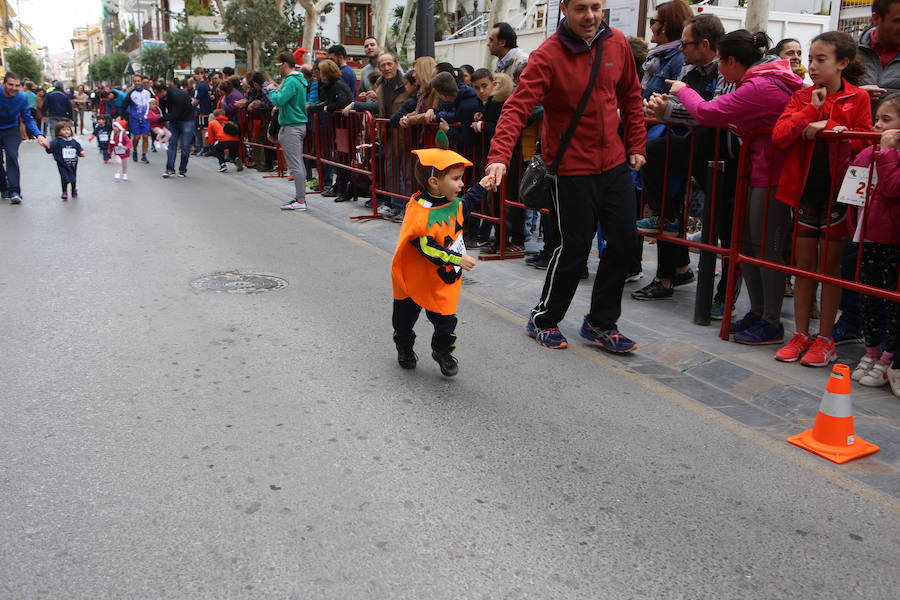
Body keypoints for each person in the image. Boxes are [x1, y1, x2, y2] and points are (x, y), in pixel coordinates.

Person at [486, 0, 646, 352]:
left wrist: (636, 144)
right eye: (580, 8)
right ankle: (543, 318)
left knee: (623, 242)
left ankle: (601, 323)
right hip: (571, 168)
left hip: (615, 164)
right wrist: (499, 156)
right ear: (564, 9)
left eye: (596, 7)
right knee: (574, 247)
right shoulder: (548, 54)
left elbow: (632, 95)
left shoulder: (617, 43)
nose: (590, 16)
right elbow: (517, 107)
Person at [668, 31, 802, 346]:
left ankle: (770, 321)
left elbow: (707, 113)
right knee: (753, 247)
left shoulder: (760, 86)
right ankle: (758, 313)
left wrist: (683, 90)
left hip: (772, 175)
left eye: (720, 63)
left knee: (766, 249)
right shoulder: (767, 79)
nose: (719, 70)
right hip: (760, 172)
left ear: (730, 61)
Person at [772, 31, 873, 367]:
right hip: (804, 194)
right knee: (803, 268)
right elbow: (780, 135)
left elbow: (865, 145)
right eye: (810, 59)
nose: (812, 66)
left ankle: (826, 338)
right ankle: (801, 333)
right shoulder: (802, 97)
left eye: (820, 59)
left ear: (842, 63)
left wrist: (829, 126)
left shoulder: (857, 98)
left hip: (837, 196)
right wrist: (808, 115)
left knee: (829, 271)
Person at [633, 12, 726, 302]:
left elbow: (711, 112)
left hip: (722, 155)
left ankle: (724, 297)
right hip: (690, 146)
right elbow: (681, 103)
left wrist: (670, 109)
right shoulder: (687, 70)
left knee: (724, 226)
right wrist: (663, 104)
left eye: (685, 44)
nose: (680, 49)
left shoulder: (725, 71)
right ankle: (668, 275)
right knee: (666, 205)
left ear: (705, 44)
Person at [391, 130, 490, 376]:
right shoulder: (419, 212)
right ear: (435, 183)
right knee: (403, 323)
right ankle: (404, 347)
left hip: (441, 280)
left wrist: (481, 186)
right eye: (456, 179)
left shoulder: (452, 203)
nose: (461, 184)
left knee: (446, 323)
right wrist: (457, 258)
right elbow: (427, 247)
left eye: (461, 178)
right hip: (413, 279)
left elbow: (464, 206)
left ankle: (442, 352)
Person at [844, 93, 900, 392]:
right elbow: (850, 186)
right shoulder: (871, 152)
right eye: (877, 119)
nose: (877, 125)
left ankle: (888, 356)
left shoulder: (890, 154)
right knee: (869, 298)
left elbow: (892, 188)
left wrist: (889, 152)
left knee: (891, 302)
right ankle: (872, 350)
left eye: (886, 120)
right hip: (867, 237)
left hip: (892, 241)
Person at [308, 59, 354, 203]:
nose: (318, 74)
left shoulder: (336, 84)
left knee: (344, 159)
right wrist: (313, 108)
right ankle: (339, 187)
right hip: (340, 126)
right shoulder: (330, 85)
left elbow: (342, 102)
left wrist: (329, 108)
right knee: (341, 158)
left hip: (345, 126)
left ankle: (343, 189)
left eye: (320, 72)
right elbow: (329, 102)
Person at [269, 51, 310, 211]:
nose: (278, 69)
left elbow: (279, 100)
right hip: (294, 125)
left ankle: (300, 201)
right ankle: (300, 198)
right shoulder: (296, 80)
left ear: (284, 64)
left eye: (278, 65)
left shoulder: (291, 81)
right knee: (297, 163)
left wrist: (272, 90)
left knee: (295, 165)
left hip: (292, 126)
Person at [0, 72, 49, 204]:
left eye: (17, 85)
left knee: (12, 155)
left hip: (11, 129)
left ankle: (15, 191)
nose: (13, 88)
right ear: (4, 83)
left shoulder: (21, 98)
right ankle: (3, 187)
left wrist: (39, 134)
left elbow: (28, 118)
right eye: (10, 84)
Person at [642, 0, 692, 99]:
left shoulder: (679, 58)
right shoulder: (658, 55)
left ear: (665, 26)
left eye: (653, 22)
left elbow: (676, 102)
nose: (650, 26)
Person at [858, 0, 900, 98]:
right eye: (898, 21)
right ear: (876, 18)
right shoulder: (848, 52)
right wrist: (856, 95)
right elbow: (827, 96)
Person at [154, 79, 195, 178]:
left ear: (163, 91)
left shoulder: (177, 95)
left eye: (156, 93)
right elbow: (163, 111)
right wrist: (162, 121)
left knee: (185, 147)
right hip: (173, 121)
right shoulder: (162, 97)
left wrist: (159, 120)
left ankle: (182, 170)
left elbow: (175, 113)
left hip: (187, 120)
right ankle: (169, 169)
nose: (156, 96)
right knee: (172, 145)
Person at [46, 120, 85, 200]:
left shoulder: (73, 141)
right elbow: (50, 150)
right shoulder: (56, 142)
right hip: (62, 164)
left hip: (73, 163)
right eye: (63, 130)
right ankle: (64, 191)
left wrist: (81, 152)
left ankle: (74, 190)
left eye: (68, 129)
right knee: (65, 178)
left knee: (73, 178)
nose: (66, 131)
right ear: (58, 132)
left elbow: (78, 148)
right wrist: (47, 146)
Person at [125, 74, 153, 163]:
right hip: (135, 119)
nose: (137, 82)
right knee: (136, 138)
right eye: (135, 81)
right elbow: (124, 104)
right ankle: (135, 150)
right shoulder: (131, 93)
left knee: (145, 136)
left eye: (138, 81)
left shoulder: (148, 92)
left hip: (145, 118)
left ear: (141, 81)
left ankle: (144, 155)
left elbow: (154, 102)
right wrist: (121, 115)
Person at [207, 108, 243, 173]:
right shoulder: (229, 121)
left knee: (217, 149)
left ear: (215, 116)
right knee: (233, 152)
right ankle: (236, 158)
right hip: (235, 141)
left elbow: (211, 137)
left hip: (222, 141)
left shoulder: (212, 123)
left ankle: (222, 164)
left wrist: (212, 144)